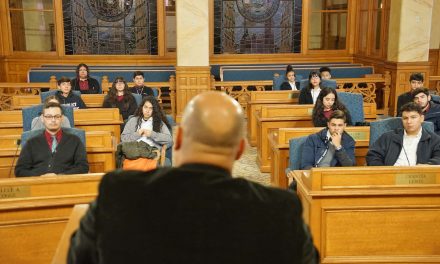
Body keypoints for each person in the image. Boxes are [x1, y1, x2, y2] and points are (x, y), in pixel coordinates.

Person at [68, 91, 319, 264]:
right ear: (240, 149)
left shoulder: (119, 192)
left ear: (177, 140)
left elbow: (77, 257)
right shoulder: (280, 209)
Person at [15, 102, 89, 177]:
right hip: (38, 186)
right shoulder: (31, 143)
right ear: (42, 118)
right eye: (49, 117)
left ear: (62, 118)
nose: (53, 120)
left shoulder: (75, 141)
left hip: (66, 184)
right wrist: (40, 177)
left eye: (57, 116)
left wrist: (61, 176)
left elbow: (83, 167)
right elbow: (20, 170)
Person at [366, 102, 440, 166]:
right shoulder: (388, 137)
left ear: (422, 118)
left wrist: (428, 166)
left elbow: (438, 158)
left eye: (413, 117)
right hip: (390, 177)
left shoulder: (434, 140)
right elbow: (373, 155)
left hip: (419, 178)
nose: (409, 121)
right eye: (405, 118)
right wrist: (384, 172)